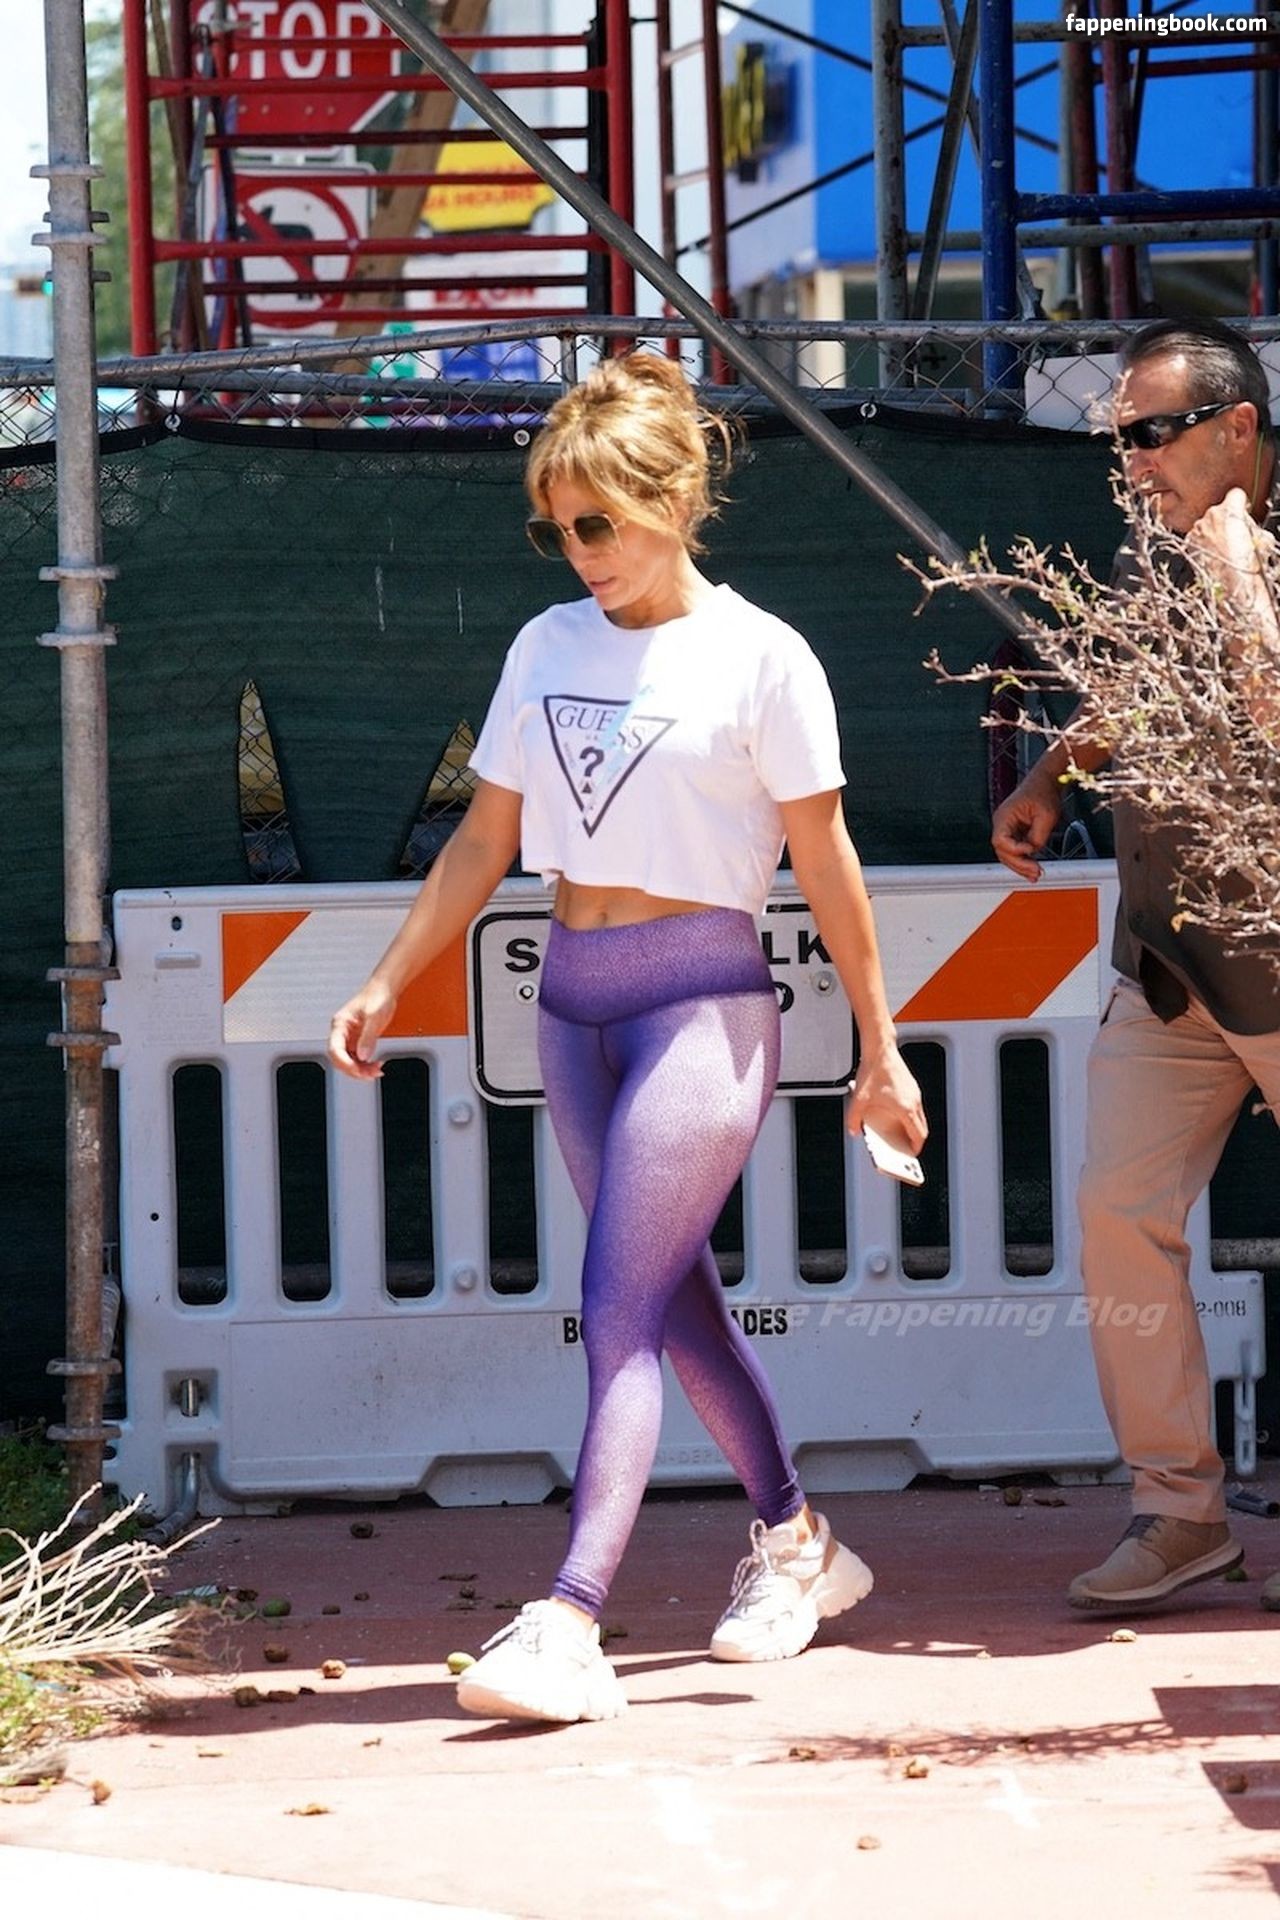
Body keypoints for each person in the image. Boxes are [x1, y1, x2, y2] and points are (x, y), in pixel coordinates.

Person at [329, 351, 927, 1722]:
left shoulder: (763, 656)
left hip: (703, 1007)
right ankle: (798, 1543)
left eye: (598, 521)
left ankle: (569, 1619)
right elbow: (483, 837)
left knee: (614, 1312)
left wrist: (881, 1048)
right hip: (571, 1005)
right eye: (559, 529)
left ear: (674, 500)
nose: (581, 551)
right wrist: (388, 978)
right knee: (669, 1304)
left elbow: (828, 865)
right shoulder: (546, 645)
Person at [991, 318, 1280, 1614]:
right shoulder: (1152, 537)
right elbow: (1132, 689)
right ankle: (1179, 1513)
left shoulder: (1231, 543)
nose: (1134, 462)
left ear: (1237, 426)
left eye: (1154, 434)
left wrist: (1237, 573)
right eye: (1119, 440)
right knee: (1118, 1213)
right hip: (1171, 957)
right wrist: (1056, 777)